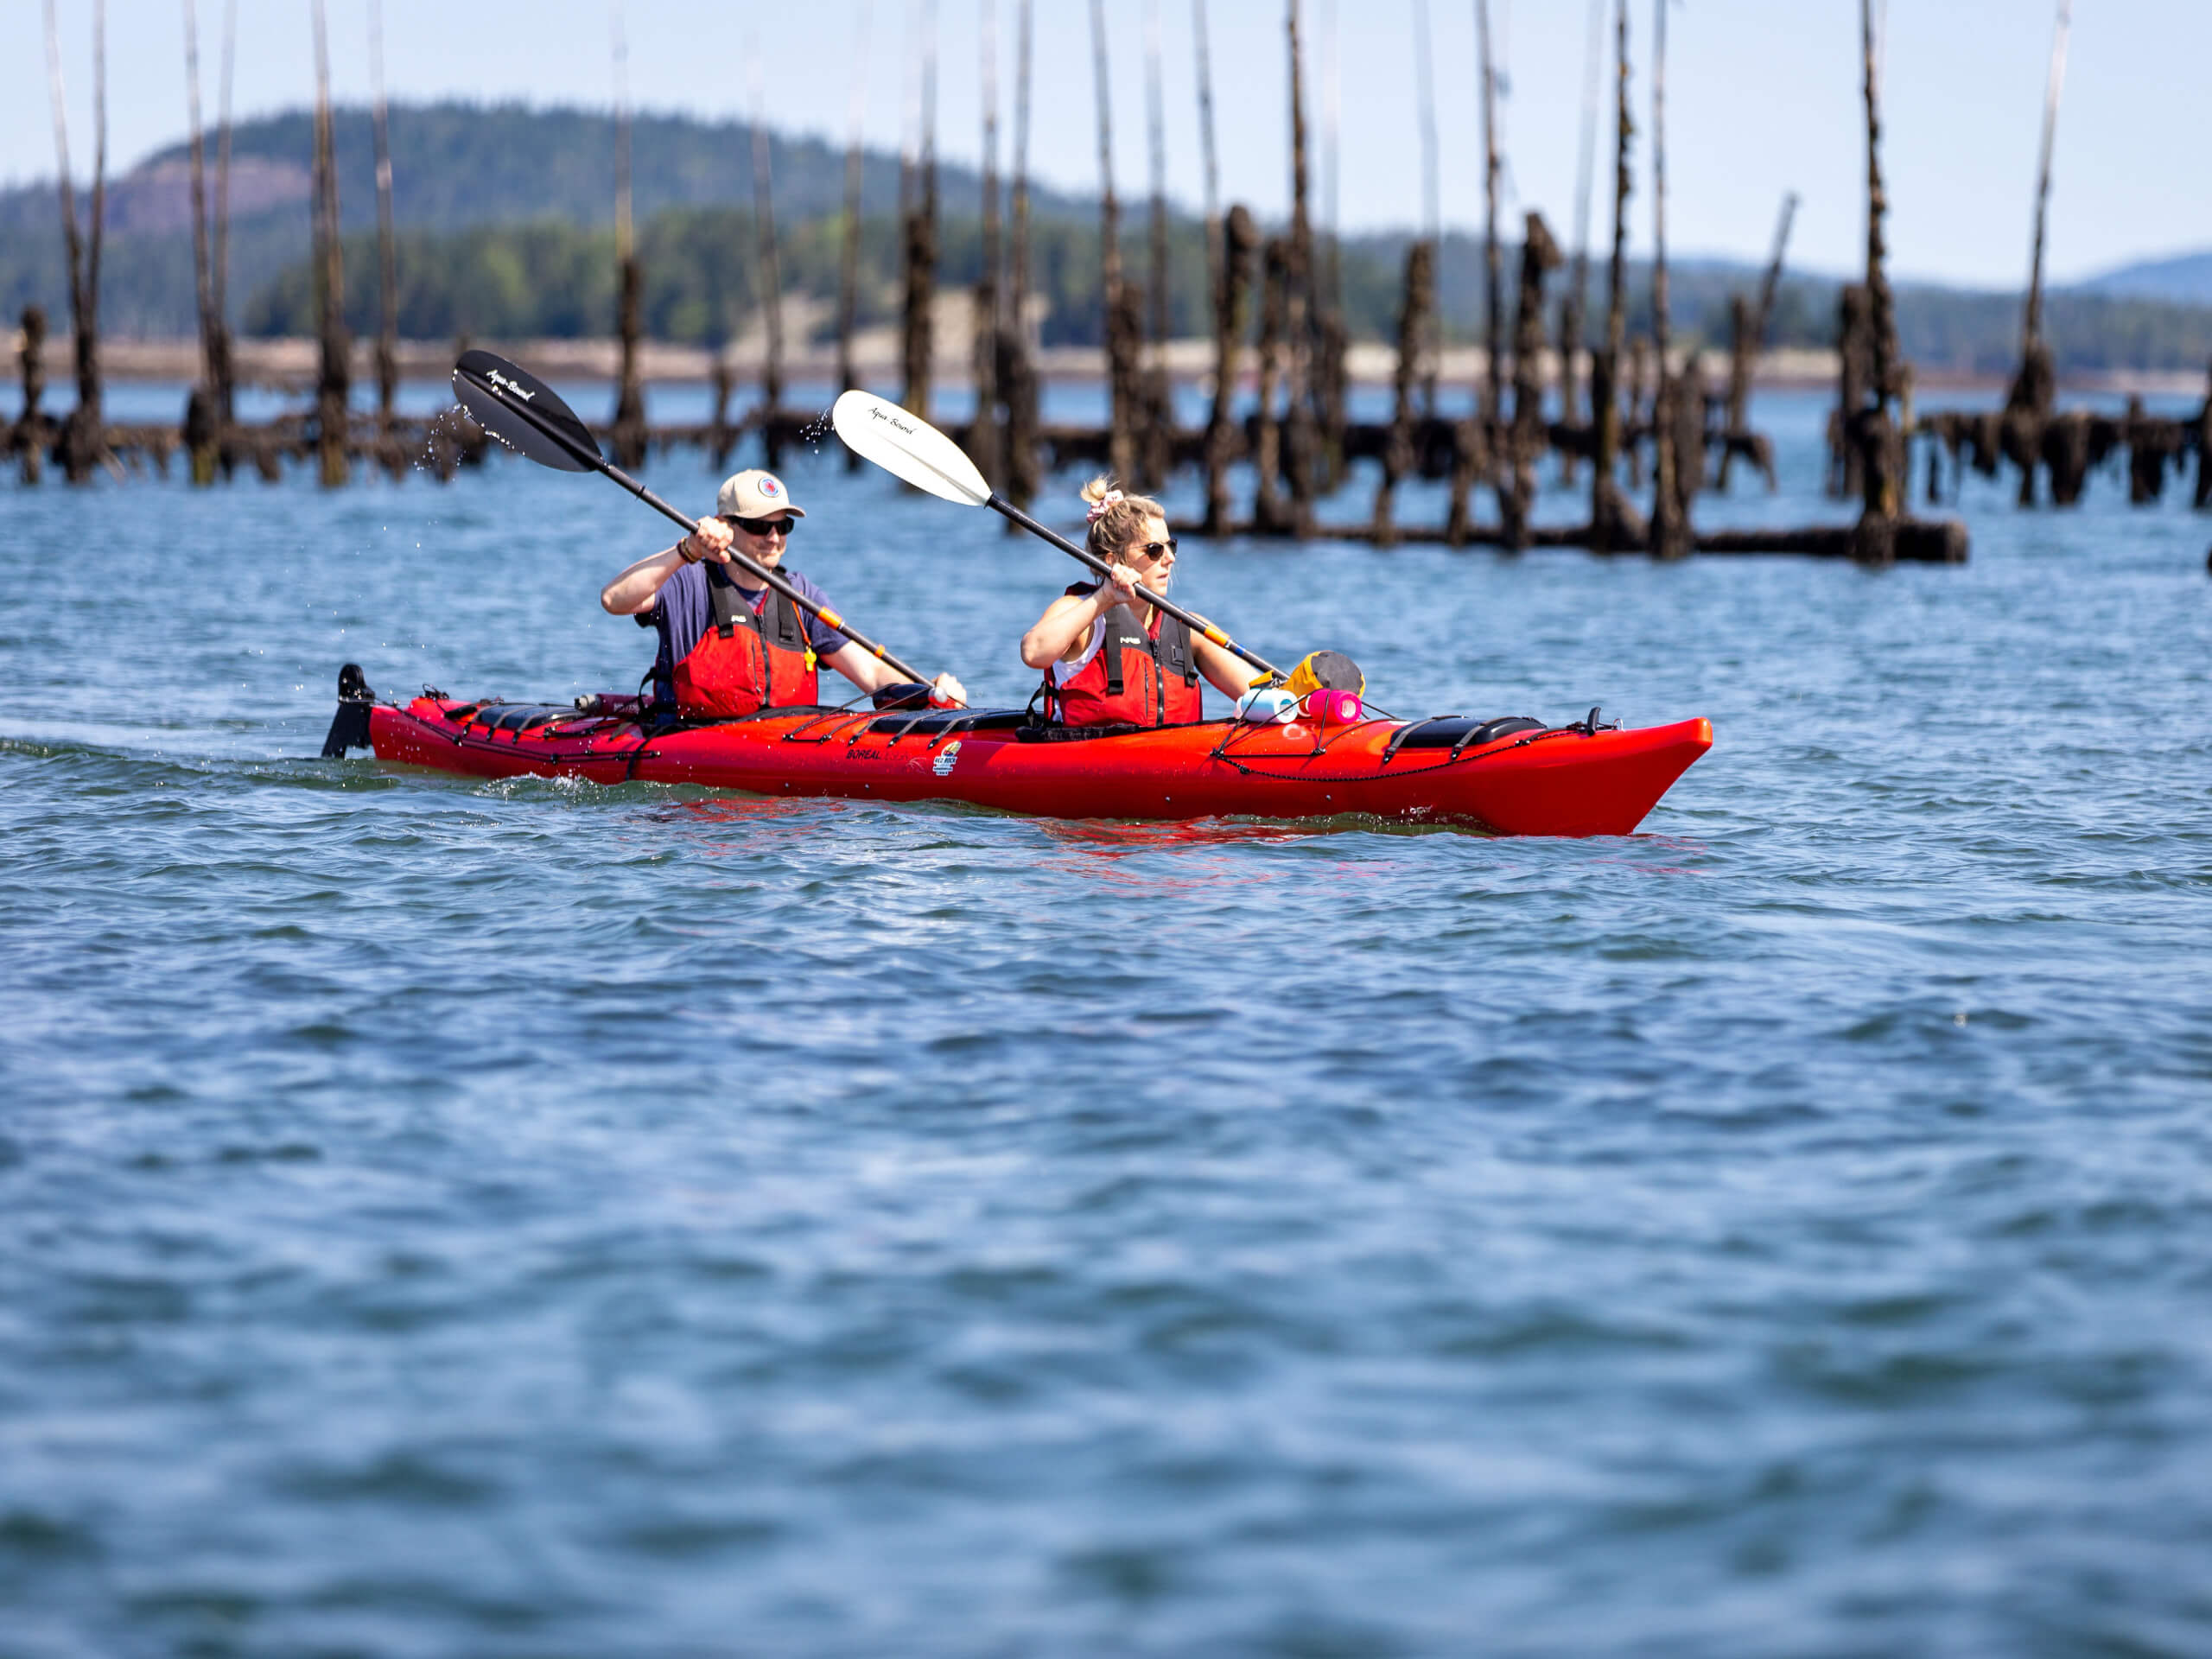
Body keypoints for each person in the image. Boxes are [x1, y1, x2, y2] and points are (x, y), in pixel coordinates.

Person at [601, 469, 963, 719]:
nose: (774, 538)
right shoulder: (689, 583)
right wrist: (686, 551)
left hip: (784, 778)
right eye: (760, 526)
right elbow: (614, 600)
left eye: (783, 526)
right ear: (726, 525)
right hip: (693, 755)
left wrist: (929, 694)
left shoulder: (801, 595)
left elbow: (870, 673)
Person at [1018, 477, 1255, 727]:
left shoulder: (1188, 627)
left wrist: (1292, 701)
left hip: (1174, 758)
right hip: (1088, 758)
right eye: (1155, 550)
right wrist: (1105, 598)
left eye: (1171, 546)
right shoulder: (1079, 612)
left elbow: (1255, 692)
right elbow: (1033, 653)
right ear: (1112, 561)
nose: (1170, 559)